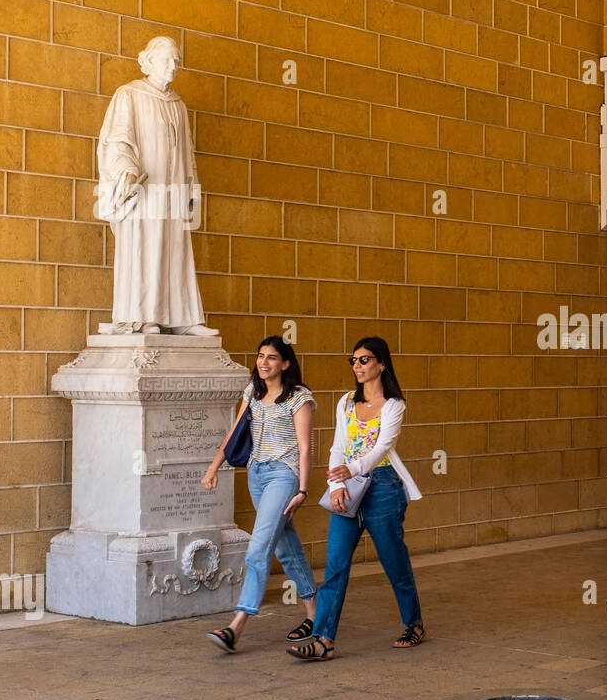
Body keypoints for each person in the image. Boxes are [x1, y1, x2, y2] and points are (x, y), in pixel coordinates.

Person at [288, 337, 424, 661]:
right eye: (354, 360)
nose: (357, 366)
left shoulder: (394, 405)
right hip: (347, 487)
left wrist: (350, 469)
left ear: (381, 364)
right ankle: (323, 639)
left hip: (382, 487)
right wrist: (337, 485)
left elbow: (381, 448)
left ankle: (414, 623)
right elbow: (337, 444)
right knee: (335, 563)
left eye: (364, 360)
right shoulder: (346, 401)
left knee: (393, 561)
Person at [95, 34, 217, 336]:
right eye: (166, 60)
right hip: (144, 191)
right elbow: (116, 140)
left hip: (173, 192)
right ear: (148, 61)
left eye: (177, 61)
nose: (173, 66)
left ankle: (182, 318)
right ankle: (143, 315)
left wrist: (191, 189)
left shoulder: (178, 105)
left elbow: (187, 152)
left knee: (176, 249)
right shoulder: (129, 95)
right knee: (145, 249)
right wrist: (126, 173)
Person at [203, 336, 318, 652]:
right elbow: (235, 431)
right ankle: (316, 615)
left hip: (284, 475)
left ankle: (236, 626)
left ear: (285, 363)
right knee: (285, 546)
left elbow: (306, 447)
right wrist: (214, 467)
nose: (264, 362)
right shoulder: (252, 392)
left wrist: (303, 490)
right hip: (256, 474)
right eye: (260, 356)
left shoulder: (299, 398)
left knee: (258, 548)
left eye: (271, 357)